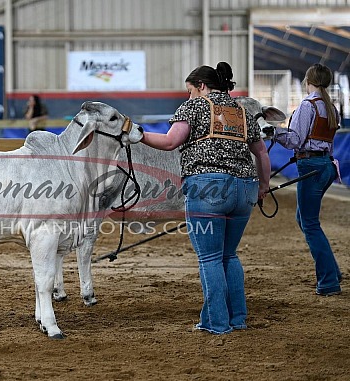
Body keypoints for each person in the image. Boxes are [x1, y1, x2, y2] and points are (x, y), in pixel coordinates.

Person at [140, 62, 271, 335]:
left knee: (210, 258)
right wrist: (263, 188)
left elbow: (169, 142)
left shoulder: (194, 106)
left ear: (201, 86)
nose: (188, 96)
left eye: (190, 90)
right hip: (244, 189)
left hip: (208, 188)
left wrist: (136, 134)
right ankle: (237, 319)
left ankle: (217, 323)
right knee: (229, 256)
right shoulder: (241, 111)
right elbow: (261, 154)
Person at [272, 63, 343, 296]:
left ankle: (329, 281)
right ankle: (332, 270)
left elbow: (294, 140)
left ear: (307, 81)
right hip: (326, 165)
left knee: (310, 224)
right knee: (304, 219)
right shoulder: (330, 107)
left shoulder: (307, 105)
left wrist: (272, 131)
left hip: (311, 166)